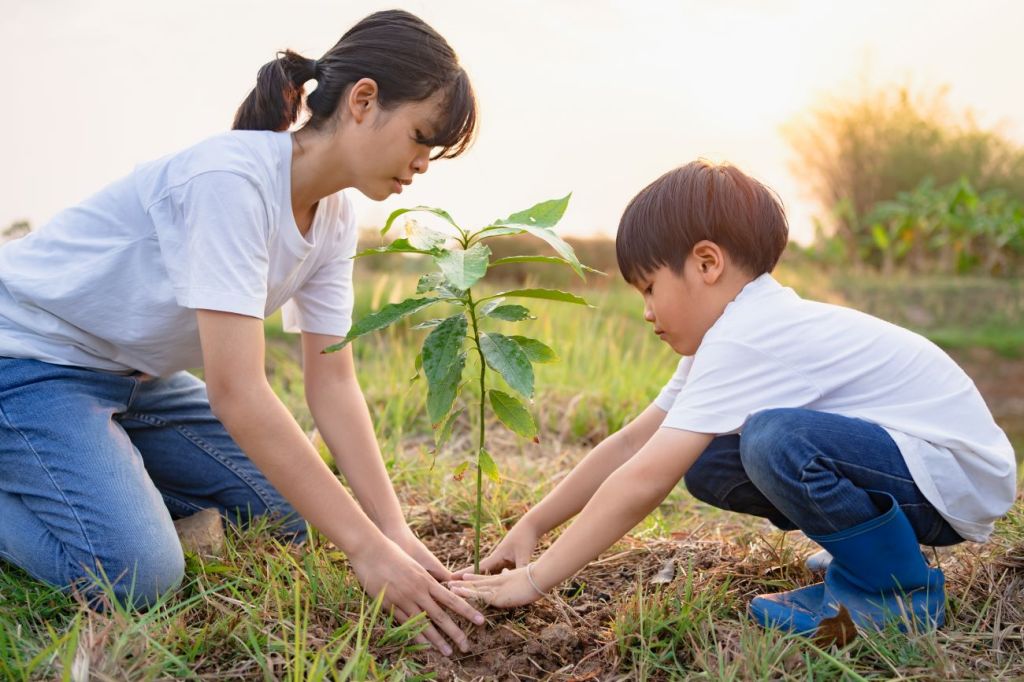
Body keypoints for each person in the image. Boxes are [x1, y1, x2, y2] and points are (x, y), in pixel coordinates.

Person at [0, 9, 483, 656]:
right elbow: (237, 392)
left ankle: (88, 467)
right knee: (142, 574)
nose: (423, 163)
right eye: (422, 137)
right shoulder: (232, 182)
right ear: (364, 101)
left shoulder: (334, 216)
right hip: (26, 356)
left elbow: (332, 381)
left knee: (285, 511)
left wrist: (390, 529)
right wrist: (365, 552)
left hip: (129, 377)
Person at [449, 160, 1017, 635]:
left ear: (706, 263)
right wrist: (532, 525)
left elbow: (644, 479)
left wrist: (535, 578)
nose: (646, 310)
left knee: (774, 439)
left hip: (953, 478)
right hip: (921, 470)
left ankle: (898, 592)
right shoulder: (729, 334)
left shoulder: (749, 333)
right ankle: (867, 555)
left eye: (650, 288)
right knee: (713, 458)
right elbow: (629, 445)